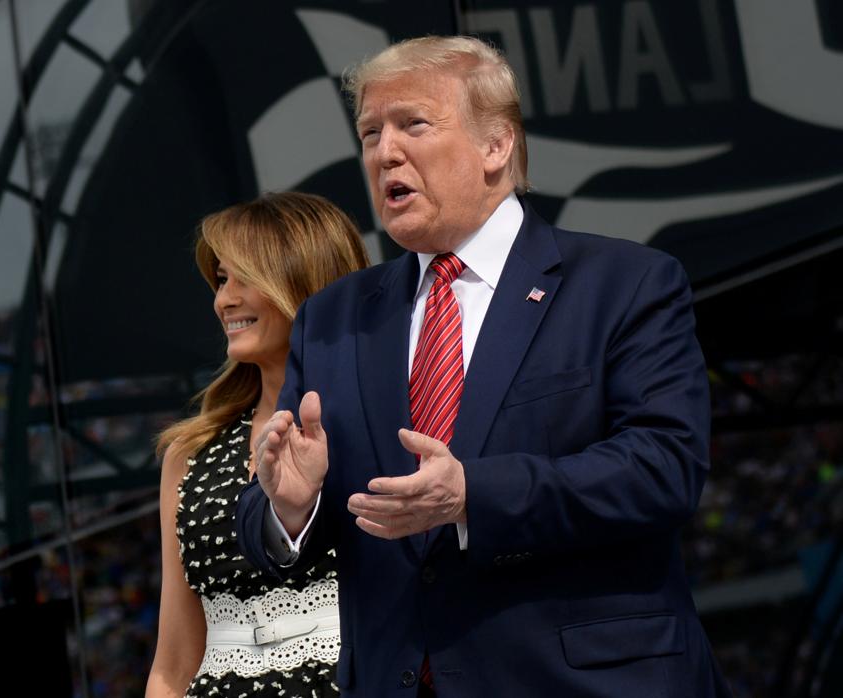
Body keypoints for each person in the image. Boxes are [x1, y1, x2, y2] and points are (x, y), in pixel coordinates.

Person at [235, 36, 731, 697]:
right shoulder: (333, 318)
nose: (386, 152)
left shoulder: (624, 284)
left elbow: (663, 469)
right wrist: (291, 507)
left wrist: (475, 494)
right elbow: (273, 524)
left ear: (496, 146)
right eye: (371, 132)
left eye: (413, 123)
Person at [146, 192, 370, 697]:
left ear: (304, 281)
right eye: (223, 278)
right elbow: (173, 661)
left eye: (245, 276)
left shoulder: (383, 425)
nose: (223, 299)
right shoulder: (189, 455)